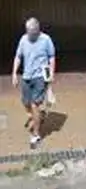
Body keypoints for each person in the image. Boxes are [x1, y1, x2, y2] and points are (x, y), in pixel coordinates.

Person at [11, 18, 55, 150]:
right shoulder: (23, 39)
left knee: (35, 104)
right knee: (26, 102)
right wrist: (14, 73)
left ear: (37, 30)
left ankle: (36, 134)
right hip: (27, 76)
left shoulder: (46, 40)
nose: (30, 35)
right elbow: (18, 56)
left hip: (40, 77)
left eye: (32, 32)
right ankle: (36, 116)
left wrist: (51, 74)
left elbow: (51, 57)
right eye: (28, 32)